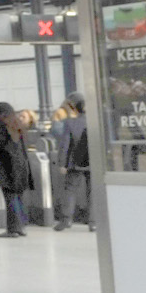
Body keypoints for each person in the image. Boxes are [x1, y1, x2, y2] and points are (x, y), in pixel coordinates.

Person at [0, 101, 32, 237]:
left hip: (7, 166)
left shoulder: (0, 126)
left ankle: (12, 229)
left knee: (10, 198)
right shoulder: (18, 126)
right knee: (19, 197)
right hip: (22, 166)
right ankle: (21, 227)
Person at [57, 96, 91, 230]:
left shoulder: (70, 123)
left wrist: (62, 163)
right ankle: (93, 222)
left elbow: (65, 144)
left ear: (76, 109)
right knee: (92, 191)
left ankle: (66, 220)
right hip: (93, 161)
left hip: (75, 161)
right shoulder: (97, 122)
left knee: (70, 190)